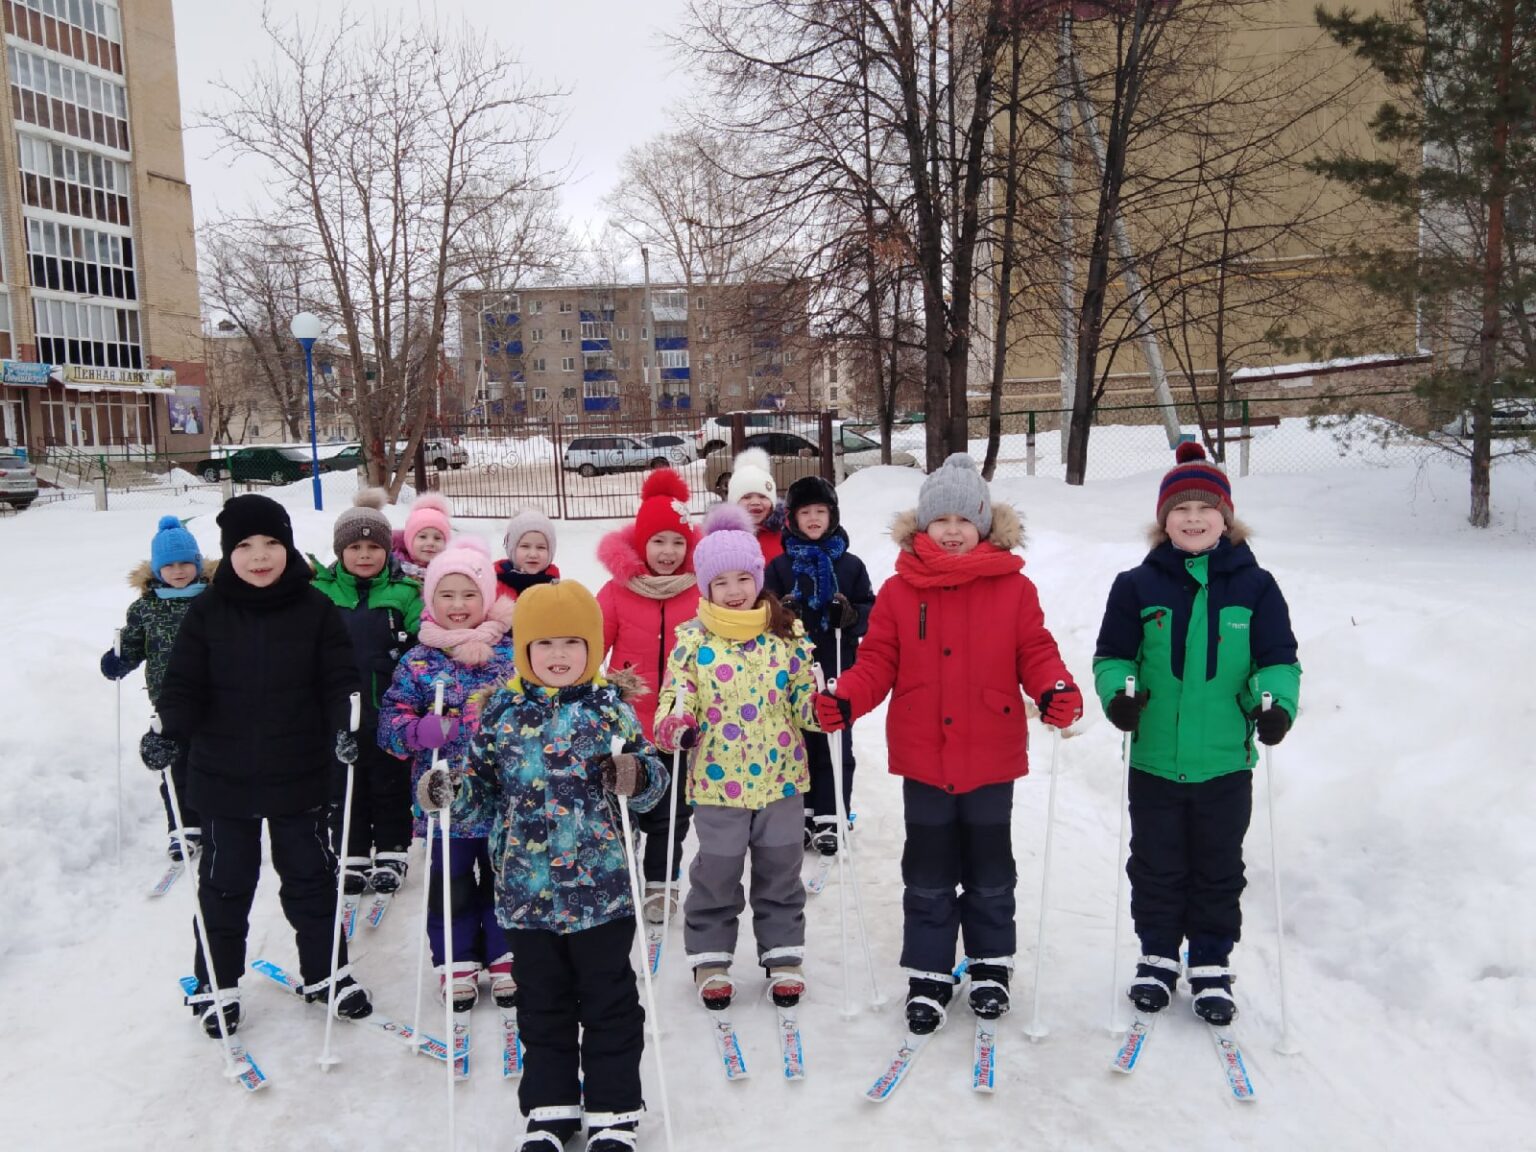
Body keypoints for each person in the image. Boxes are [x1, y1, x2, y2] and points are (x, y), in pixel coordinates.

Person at [816, 453, 1080, 1035]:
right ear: (923, 526)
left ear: (985, 525)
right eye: (942, 521)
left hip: (991, 755)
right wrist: (847, 698)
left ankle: (990, 965)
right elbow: (878, 659)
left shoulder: (1014, 588)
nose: (954, 531)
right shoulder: (899, 591)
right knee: (928, 872)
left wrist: (1055, 688)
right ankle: (930, 972)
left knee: (990, 870)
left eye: (966, 520)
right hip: (924, 757)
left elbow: (1035, 651)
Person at [420, 580, 667, 1152]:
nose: (559, 656)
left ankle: (613, 1112)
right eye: (545, 644)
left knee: (609, 1001)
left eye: (573, 644)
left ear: (593, 647)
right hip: (526, 895)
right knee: (541, 1002)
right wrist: (447, 791)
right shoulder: (501, 714)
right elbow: (481, 794)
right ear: (526, 650)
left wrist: (636, 775)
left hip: (601, 892)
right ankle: (551, 1110)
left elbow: (652, 785)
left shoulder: (612, 710)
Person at [1093, 441, 1301, 1026]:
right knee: (1156, 862)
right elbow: (1113, 656)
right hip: (1155, 760)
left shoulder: (1256, 588)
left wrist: (1277, 705)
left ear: (1225, 517)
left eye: (1204, 509)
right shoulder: (1136, 585)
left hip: (1225, 763)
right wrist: (1119, 694)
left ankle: (1210, 961)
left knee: (1217, 866)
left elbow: (1278, 660)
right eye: (1180, 510)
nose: (1192, 519)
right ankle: (1158, 956)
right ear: (1163, 520)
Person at [149, 494, 372, 1036]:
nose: (260, 556)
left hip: (298, 771)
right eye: (245, 546)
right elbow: (183, 687)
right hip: (223, 777)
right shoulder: (207, 612)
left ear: (288, 546)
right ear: (228, 554)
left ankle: (327, 975)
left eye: (271, 542)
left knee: (311, 879)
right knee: (226, 883)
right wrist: (168, 733)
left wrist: (345, 726)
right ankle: (217, 983)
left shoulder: (314, 608)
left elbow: (339, 680)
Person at [654, 503, 819, 1011]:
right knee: (718, 873)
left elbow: (803, 701)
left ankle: (783, 954)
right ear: (704, 587)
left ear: (758, 578)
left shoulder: (786, 635)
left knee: (780, 871)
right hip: (717, 783)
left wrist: (824, 708)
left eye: (742, 578)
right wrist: (674, 726)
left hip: (782, 778)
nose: (733, 590)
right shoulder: (690, 642)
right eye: (720, 581)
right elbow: (672, 701)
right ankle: (711, 957)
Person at [379, 536, 517, 1009]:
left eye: (469, 595)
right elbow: (390, 727)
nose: (458, 606)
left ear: (487, 598)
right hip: (447, 803)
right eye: (447, 595)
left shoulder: (512, 656)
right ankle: (456, 960)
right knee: (452, 884)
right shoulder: (419, 661)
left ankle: (504, 955)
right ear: (431, 599)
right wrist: (420, 730)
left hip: (502, 800)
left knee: (504, 878)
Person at [595, 467, 700, 923]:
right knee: (624, 810)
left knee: (671, 813)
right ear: (641, 544)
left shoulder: (700, 592)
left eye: (678, 542)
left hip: (677, 726)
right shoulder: (617, 593)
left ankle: (662, 882)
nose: (668, 552)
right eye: (658, 541)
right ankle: (622, 876)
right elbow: (590, 649)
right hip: (628, 728)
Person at [311, 488, 423, 895]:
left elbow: (422, 639)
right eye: (354, 547)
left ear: (387, 551)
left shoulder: (404, 592)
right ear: (340, 551)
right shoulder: (321, 594)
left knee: (388, 781)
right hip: (338, 709)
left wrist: (408, 645)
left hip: (389, 709)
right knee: (344, 782)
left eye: (373, 546)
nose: (364, 555)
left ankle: (392, 849)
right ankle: (351, 851)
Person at [764, 475, 874, 854]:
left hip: (838, 664)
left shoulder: (850, 565)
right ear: (792, 519)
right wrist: (783, 613)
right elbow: (764, 610)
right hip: (793, 671)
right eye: (805, 512)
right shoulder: (779, 567)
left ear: (833, 516)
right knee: (801, 743)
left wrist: (851, 615)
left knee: (835, 740)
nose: (813, 519)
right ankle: (805, 813)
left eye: (820, 511)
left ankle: (832, 814)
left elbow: (870, 610)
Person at [99, 514, 215, 861]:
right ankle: (182, 827)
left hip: (216, 698)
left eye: (185, 563)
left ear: (197, 563)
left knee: (211, 762)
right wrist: (118, 660)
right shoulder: (145, 608)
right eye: (169, 565)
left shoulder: (214, 600)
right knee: (176, 764)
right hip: (167, 701)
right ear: (156, 569)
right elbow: (133, 645)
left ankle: (213, 820)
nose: (178, 571)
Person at [725, 446, 786, 564]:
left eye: (763, 496)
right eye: (747, 497)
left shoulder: (784, 534)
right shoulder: (724, 537)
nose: (755, 502)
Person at [495, 505, 561, 603]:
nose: (533, 554)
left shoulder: (555, 587)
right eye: (525, 546)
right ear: (512, 549)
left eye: (541, 547)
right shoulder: (493, 585)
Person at [393, 492, 454, 580]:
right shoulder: (392, 566)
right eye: (422, 537)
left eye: (437, 538)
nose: (430, 543)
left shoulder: (451, 571)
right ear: (409, 540)